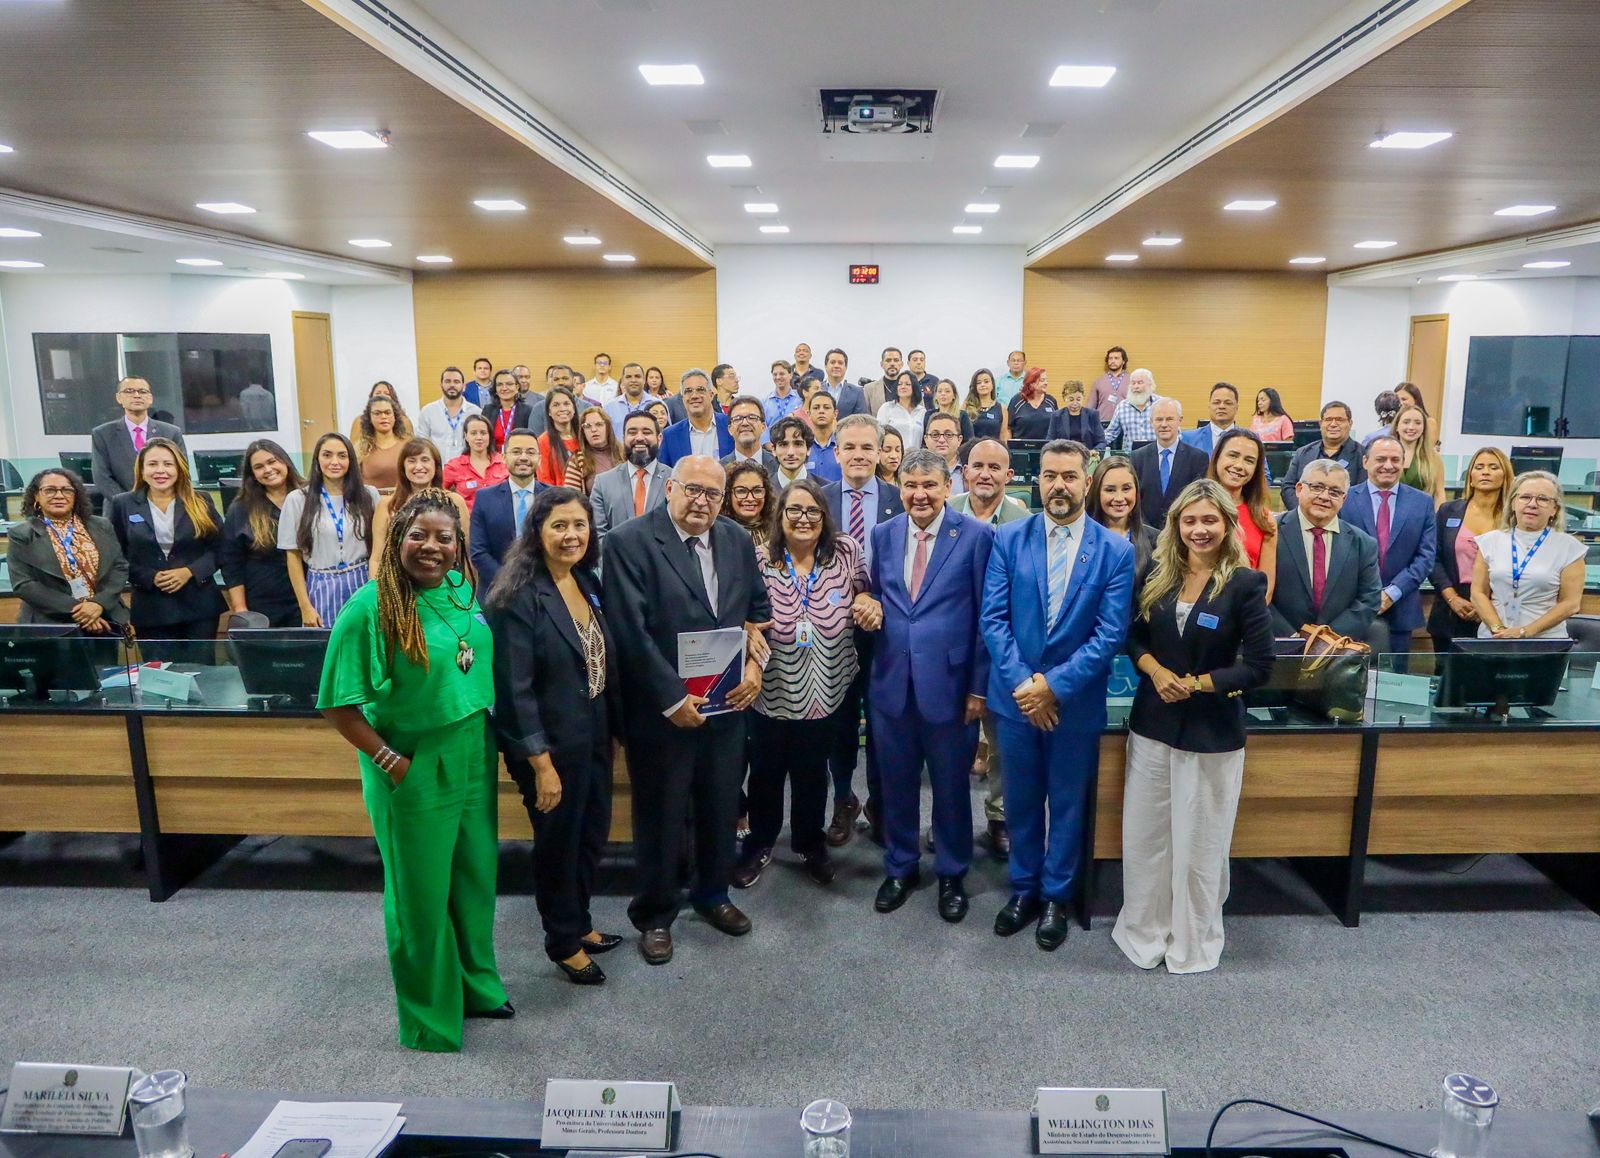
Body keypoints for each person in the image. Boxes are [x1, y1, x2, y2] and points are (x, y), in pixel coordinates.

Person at [318, 489, 510, 1050]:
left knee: (475, 879)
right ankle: (429, 1017)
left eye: (444, 537)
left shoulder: (458, 588)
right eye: (418, 536)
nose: (432, 547)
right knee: (420, 894)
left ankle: (477, 987)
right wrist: (392, 762)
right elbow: (337, 703)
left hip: (472, 748)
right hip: (413, 761)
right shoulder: (369, 608)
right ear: (397, 539)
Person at [602, 456, 772, 965]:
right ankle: (655, 914)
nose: (702, 502)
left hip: (726, 705)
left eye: (713, 495)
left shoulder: (736, 540)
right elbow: (628, 633)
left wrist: (754, 670)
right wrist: (672, 698)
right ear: (669, 487)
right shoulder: (630, 541)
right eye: (692, 490)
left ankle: (713, 894)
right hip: (662, 711)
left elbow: (756, 614)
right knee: (662, 813)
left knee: (721, 805)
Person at [1113, 478, 1275, 974]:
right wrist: (1157, 672)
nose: (1199, 530)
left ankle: (1192, 938)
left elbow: (1260, 666)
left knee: (1199, 843)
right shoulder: (1156, 574)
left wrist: (1200, 683)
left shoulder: (1245, 583)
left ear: (1227, 524)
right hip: (1153, 724)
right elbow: (1133, 638)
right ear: (1176, 525)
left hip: (1211, 732)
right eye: (1189, 520)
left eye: (1209, 520)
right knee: (1146, 836)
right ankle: (1144, 929)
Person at [979, 438, 1135, 949]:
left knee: (1067, 804)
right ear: (1037, 481)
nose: (1059, 486)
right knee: (1020, 802)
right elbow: (993, 620)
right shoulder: (1009, 539)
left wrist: (1054, 687)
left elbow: (1110, 634)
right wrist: (1028, 686)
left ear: (1086, 483)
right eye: (1050, 476)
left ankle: (1055, 897)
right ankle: (1023, 889)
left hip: (1074, 703)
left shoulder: (1115, 550)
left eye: (1070, 476)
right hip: (1017, 700)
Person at [487, 487, 623, 985]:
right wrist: (540, 763)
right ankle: (562, 942)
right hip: (547, 747)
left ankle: (579, 922)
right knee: (558, 843)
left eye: (580, 526)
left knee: (590, 835)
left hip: (592, 734)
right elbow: (514, 688)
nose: (572, 535)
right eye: (560, 526)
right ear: (537, 532)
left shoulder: (585, 580)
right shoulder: (518, 595)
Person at [865, 448, 993, 923]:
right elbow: (876, 594)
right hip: (891, 683)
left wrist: (979, 688)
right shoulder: (882, 534)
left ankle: (952, 872)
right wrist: (867, 601)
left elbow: (986, 616)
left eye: (929, 485)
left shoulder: (977, 535)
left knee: (951, 786)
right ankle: (900, 867)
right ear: (899, 486)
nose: (919, 495)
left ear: (946, 487)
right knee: (896, 783)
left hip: (952, 686)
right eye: (911, 485)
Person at [734, 479, 870, 889]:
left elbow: (866, 592)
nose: (804, 518)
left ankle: (810, 844)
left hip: (827, 688)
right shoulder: (758, 559)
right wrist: (745, 629)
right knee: (766, 774)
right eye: (794, 510)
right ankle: (759, 844)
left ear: (824, 517)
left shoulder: (846, 552)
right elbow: (735, 609)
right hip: (770, 688)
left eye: (813, 511)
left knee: (813, 773)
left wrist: (869, 600)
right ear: (779, 516)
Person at [821, 415, 903, 846]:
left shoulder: (900, 498)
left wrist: (879, 604)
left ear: (881, 453)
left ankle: (880, 801)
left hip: (887, 630)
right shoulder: (817, 499)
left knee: (884, 720)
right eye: (849, 447)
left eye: (867, 447)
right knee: (840, 719)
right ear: (836, 453)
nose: (858, 455)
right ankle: (842, 797)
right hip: (833, 631)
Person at [951, 438, 1030, 854]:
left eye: (995, 468)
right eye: (977, 465)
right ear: (964, 470)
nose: (985, 473)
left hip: (1004, 649)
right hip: (955, 647)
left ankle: (999, 818)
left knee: (1002, 744)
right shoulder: (946, 512)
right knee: (950, 745)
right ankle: (949, 821)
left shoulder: (1023, 520)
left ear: (1008, 475)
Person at [108, 438, 224, 662]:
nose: (160, 470)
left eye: (168, 464)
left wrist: (189, 571)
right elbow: (115, 556)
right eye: (152, 464)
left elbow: (221, 548)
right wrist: (149, 577)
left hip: (199, 606)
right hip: (152, 607)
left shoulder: (200, 500)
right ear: (141, 470)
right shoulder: (123, 504)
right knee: (159, 680)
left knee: (203, 676)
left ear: (179, 469)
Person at [1269, 459, 1382, 645]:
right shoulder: (1270, 534)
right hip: (1278, 645)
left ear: (1344, 499)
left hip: (1336, 650)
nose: (1324, 496)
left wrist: (1324, 641)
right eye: (1316, 487)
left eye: (1335, 492)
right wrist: (1292, 639)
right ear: (1299, 489)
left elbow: (1369, 600)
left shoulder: (1364, 544)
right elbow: (1256, 595)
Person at [1341, 436, 1437, 653]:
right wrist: (1369, 594)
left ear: (1403, 463)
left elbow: (1426, 556)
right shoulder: (1345, 499)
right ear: (1365, 462)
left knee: (1395, 681)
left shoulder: (1422, 502)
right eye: (1381, 459)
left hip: (1401, 609)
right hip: (1351, 608)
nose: (1388, 465)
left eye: (1395, 459)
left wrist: (1393, 592)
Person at [9, 468, 128, 634]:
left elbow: (119, 567)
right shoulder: (21, 535)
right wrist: (82, 611)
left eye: (66, 490)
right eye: (50, 490)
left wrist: (98, 604)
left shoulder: (102, 525)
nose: (59, 495)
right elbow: (24, 584)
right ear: (36, 496)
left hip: (104, 619)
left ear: (76, 495)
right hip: (50, 625)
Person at [1471, 470, 1586, 640]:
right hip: (1493, 639)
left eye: (1542, 499)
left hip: (1544, 642)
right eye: (1525, 497)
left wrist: (1525, 632)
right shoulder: (1489, 542)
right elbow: (1478, 593)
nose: (1532, 504)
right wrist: (1499, 630)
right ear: (1513, 503)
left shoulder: (1570, 548)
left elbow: (1570, 604)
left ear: (1554, 509)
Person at [280, 433, 379, 628]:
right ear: (317, 459)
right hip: (321, 584)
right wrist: (305, 606)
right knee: (326, 650)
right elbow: (292, 556)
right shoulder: (298, 499)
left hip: (362, 580)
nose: (335, 462)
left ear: (351, 460)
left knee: (363, 647)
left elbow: (380, 548)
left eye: (342, 456)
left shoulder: (369, 495)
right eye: (327, 455)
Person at [1428, 447, 1513, 652]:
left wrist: (1484, 603)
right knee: (1446, 678)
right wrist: (1452, 598)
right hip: (1451, 606)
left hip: (1498, 608)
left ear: (1505, 476)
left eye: (1493, 467)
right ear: (1471, 477)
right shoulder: (1449, 511)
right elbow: (1433, 558)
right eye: (1479, 467)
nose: (1485, 472)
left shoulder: (1514, 518)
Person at [220, 440, 305, 627]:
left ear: (285, 462)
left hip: (308, 598)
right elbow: (230, 562)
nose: (267, 469)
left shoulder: (308, 496)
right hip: (263, 602)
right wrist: (240, 609)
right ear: (253, 475)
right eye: (259, 467)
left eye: (272, 461)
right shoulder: (241, 507)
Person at [372, 439, 472, 582]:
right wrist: (378, 592)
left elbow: (466, 553)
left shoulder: (455, 501)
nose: (419, 466)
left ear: (436, 466)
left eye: (425, 460)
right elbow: (376, 558)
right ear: (403, 466)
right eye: (412, 461)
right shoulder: (387, 505)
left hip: (444, 584)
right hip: (398, 585)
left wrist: (468, 594)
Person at [469, 429, 545, 591]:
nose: (523, 457)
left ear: (539, 459)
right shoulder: (485, 498)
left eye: (530, 452)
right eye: (516, 452)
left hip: (545, 586)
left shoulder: (553, 497)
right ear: (504, 457)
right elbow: (478, 552)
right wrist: (508, 580)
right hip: (497, 588)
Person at [1207, 429, 1279, 600]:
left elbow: (1265, 587)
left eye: (1249, 460)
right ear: (1217, 458)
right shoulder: (1192, 509)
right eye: (1233, 455)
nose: (1239, 465)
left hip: (1245, 615)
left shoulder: (1264, 519)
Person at [90, 376, 188, 498]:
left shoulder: (171, 432)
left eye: (142, 391)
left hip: (162, 504)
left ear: (150, 398)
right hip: (119, 508)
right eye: (129, 391)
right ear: (119, 398)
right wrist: (128, 503)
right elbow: (102, 477)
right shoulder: (102, 434)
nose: (137, 395)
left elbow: (182, 471)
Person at [591, 410, 670, 538]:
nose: (639, 437)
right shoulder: (603, 483)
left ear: (659, 439)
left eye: (646, 432)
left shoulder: (674, 480)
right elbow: (598, 535)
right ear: (623, 438)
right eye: (632, 432)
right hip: (615, 557)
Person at [1132, 399, 1209, 530]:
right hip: (1144, 534)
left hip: (1182, 531)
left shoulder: (1198, 458)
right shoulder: (1137, 457)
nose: (1164, 424)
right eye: (1158, 419)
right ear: (1151, 422)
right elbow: (1134, 498)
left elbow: (1197, 499)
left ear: (1180, 420)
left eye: (1169, 419)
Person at [1277, 401, 1366, 508]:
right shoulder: (1303, 453)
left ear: (1350, 423)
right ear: (1320, 424)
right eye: (1328, 419)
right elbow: (1288, 486)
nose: (1333, 424)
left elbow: (1362, 492)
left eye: (1339, 420)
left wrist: (1331, 514)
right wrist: (1303, 512)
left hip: (1343, 520)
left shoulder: (1362, 455)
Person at [1087, 455, 1159, 575]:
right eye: (1110, 490)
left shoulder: (1156, 540)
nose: (1119, 498)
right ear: (1096, 492)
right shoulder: (1081, 537)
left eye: (1126, 488)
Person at [660, 370, 733, 467]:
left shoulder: (731, 426)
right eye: (688, 391)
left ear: (711, 395)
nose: (694, 396)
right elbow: (664, 474)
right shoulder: (670, 435)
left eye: (700, 390)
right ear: (683, 398)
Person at [416, 367, 483, 462]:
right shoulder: (428, 411)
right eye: (447, 381)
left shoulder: (476, 412)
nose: (452, 385)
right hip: (437, 469)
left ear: (464, 386)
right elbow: (422, 444)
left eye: (456, 382)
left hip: (466, 471)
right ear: (441, 385)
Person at [443, 414, 509, 511]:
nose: (479, 437)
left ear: (490, 436)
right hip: (468, 522)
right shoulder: (454, 466)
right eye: (473, 433)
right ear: (466, 436)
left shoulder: (504, 462)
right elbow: (438, 492)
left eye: (483, 433)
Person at [1391, 403, 1444, 505]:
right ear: (1397, 426)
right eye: (1406, 422)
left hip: (1423, 516)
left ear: (1424, 428)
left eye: (1418, 423)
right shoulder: (1386, 455)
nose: (1411, 427)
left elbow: (1439, 494)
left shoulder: (1433, 457)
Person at [355, 394, 407, 492]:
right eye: (377, 413)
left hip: (402, 502)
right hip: (371, 503)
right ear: (369, 418)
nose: (383, 417)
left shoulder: (407, 445)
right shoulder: (360, 448)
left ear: (395, 416)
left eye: (388, 413)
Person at [1103, 368, 1161, 452]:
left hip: (1157, 455)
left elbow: (1174, 432)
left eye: (1140, 383)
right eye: (1133, 383)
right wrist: (1095, 445)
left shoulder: (1161, 404)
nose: (1136, 386)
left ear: (1150, 384)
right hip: (1130, 457)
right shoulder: (1122, 406)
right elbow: (1110, 433)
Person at [723, 460, 777, 549]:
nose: (750, 499)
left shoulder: (779, 530)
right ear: (728, 494)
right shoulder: (717, 534)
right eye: (741, 491)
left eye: (757, 491)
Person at [566, 407, 621, 493]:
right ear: (583, 431)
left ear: (608, 428)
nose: (593, 430)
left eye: (599, 424)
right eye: (587, 426)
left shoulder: (624, 453)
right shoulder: (577, 460)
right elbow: (570, 499)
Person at [722, 395, 780, 476]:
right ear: (730, 429)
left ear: (763, 427)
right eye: (738, 419)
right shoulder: (720, 469)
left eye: (752, 417)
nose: (745, 423)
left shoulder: (779, 465)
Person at [536, 386, 582, 487]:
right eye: (556, 405)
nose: (562, 409)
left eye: (566, 404)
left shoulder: (584, 437)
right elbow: (544, 481)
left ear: (574, 409)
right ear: (549, 412)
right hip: (558, 499)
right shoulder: (543, 441)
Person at [482, 370, 538, 450]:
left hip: (518, 457)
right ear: (495, 389)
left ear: (517, 387)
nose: (504, 388)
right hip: (492, 458)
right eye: (500, 384)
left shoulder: (528, 411)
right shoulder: (488, 410)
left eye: (509, 384)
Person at [1180, 382, 1240, 456]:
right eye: (1216, 402)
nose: (1221, 406)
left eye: (1228, 403)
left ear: (1237, 407)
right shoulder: (1187, 439)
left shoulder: (1249, 440)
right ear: (1209, 406)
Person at [348, 381, 414, 444]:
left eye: (387, 393)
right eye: (378, 393)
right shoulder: (359, 421)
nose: (382, 395)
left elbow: (410, 448)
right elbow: (354, 449)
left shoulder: (405, 421)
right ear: (371, 397)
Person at [1049, 380, 1105, 450]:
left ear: (1083, 398)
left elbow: (1101, 442)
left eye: (1078, 399)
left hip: (1086, 456)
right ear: (1064, 398)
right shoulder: (1056, 416)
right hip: (1063, 456)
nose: (1075, 403)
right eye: (1071, 400)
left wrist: (1094, 452)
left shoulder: (1092, 415)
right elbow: (1050, 441)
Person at [876, 370, 925, 450]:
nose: (903, 387)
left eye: (907, 384)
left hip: (915, 458)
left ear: (914, 387)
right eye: (900, 384)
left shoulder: (922, 411)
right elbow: (879, 435)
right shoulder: (886, 408)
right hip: (893, 457)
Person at [602, 362, 652, 440]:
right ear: (623, 380)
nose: (633, 380)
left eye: (637, 376)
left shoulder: (657, 405)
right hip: (618, 452)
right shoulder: (609, 407)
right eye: (628, 377)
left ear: (644, 380)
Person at [1007, 367, 1058, 441]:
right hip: (1021, 449)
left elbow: (1057, 427)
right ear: (1031, 383)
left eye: (1046, 380)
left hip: (1047, 449)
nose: (1046, 383)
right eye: (1042, 380)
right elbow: (1008, 428)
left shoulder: (1051, 401)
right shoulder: (1016, 401)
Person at [804, 388, 844, 484]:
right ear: (808, 414)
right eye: (816, 407)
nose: (821, 411)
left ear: (835, 414)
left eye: (826, 407)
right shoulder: (803, 447)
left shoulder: (844, 446)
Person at [924, 412, 968, 496]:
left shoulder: (970, 471)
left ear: (959, 439)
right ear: (926, 440)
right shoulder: (914, 472)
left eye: (948, 435)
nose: (941, 440)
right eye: (935, 435)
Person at [820, 347, 870, 418]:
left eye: (840, 363)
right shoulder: (817, 388)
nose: (836, 366)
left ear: (846, 367)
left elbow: (862, 419)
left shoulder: (857, 392)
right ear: (825, 366)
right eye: (832, 362)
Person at [964, 368, 1010, 443]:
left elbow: (1003, 437)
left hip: (994, 451)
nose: (983, 385)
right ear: (974, 386)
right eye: (978, 383)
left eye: (986, 381)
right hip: (972, 451)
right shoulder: (966, 406)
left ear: (992, 385)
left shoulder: (1002, 408)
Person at [924, 379, 973, 444]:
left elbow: (969, 441)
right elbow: (925, 440)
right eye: (940, 391)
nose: (943, 394)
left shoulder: (962, 415)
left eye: (947, 391)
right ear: (935, 396)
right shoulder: (929, 415)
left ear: (954, 396)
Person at [769, 415, 813, 488]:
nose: (790, 452)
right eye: (783, 445)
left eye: (798, 444)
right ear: (774, 449)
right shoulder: (762, 488)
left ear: (808, 449)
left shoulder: (824, 489)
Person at [1090, 345, 1130, 422]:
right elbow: (1091, 407)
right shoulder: (1099, 381)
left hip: (1125, 423)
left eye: (1116, 358)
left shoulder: (1132, 381)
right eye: (1110, 358)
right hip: (1102, 423)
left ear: (1123, 361)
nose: (1113, 361)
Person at [1395, 381, 1440, 450]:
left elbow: (1429, 449)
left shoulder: (1429, 422)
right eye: (1397, 400)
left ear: (1415, 399)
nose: (1401, 402)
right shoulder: (1394, 421)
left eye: (1404, 399)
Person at [763, 360, 802, 427]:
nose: (778, 377)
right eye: (775, 374)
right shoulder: (765, 402)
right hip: (772, 437)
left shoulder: (800, 399)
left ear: (791, 375)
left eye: (782, 374)